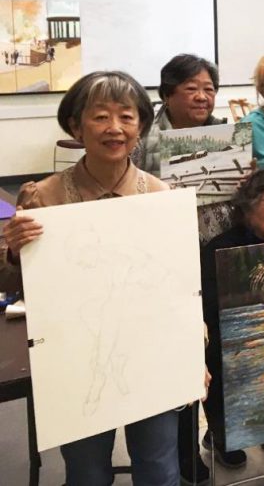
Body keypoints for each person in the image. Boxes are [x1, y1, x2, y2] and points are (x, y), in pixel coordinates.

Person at [0, 71, 203, 486]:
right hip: (77, 360)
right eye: (100, 117)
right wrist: (15, 253)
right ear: (75, 125)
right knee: (87, 473)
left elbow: (180, 289)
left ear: (141, 127)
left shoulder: (161, 198)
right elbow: (16, 288)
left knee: (160, 470)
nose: (115, 129)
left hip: (151, 358)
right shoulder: (44, 197)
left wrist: (191, 355)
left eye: (127, 117)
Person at [198, 168, 264, 472]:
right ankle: (221, 435)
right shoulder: (218, 250)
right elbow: (208, 318)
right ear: (248, 207)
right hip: (230, 350)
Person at [132, 54, 227, 175]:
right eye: (191, 89)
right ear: (167, 95)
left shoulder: (225, 134)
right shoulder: (142, 138)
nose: (202, 97)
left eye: (208, 89)